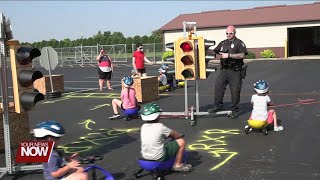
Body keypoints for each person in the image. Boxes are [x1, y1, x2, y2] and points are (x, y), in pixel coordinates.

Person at [208, 25, 248, 119]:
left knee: (235, 91)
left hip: (235, 71)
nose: (228, 35)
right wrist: (204, 48)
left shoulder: (239, 43)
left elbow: (242, 55)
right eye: (227, 33)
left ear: (235, 33)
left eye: (231, 33)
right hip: (224, 70)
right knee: (218, 86)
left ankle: (234, 110)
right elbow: (215, 51)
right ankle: (217, 106)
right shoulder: (223, 43)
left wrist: (229, 55)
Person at [140, 103, 192, 172]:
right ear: (157, 116)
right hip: (158, 157)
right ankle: (178, 165)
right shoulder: (160, 127)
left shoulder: (143, 127)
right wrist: (179, 135)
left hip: (145, 156)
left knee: (160, 144)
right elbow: (174, 134)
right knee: (181, 142)